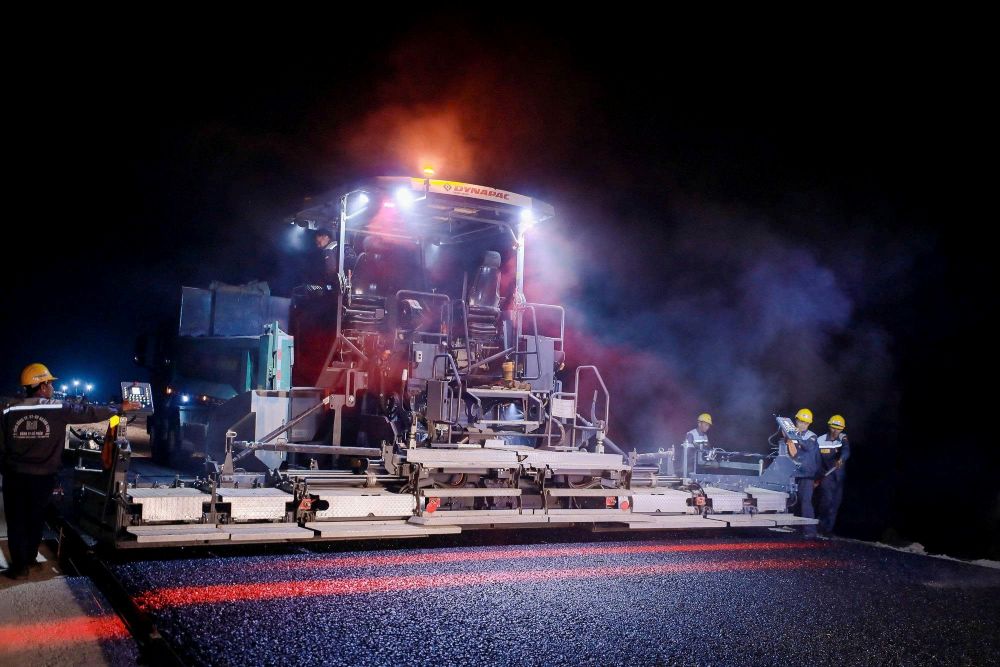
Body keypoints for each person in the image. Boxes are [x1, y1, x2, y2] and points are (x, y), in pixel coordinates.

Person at [1, 363, 138, 579]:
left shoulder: (9, 409)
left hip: (15, 476)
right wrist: (120, 407)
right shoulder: (57, 408)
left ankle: (19, 567)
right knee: (35, 518)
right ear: (42, 386)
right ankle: (30, 559)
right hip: (43, 476)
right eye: (50, 384)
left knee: (16, 520)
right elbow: (89, 412)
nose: (52, 388)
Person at [786, 407, 820, 538]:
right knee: (792, 500)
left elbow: (807, 446)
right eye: (801, 421)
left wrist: (796, 436)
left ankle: (810, 531)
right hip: (794, 473)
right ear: (796, 420)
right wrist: (788, 436)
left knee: (805, 502)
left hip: (807, 474)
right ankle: (794, 528)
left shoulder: (811, 436)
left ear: (809, 424)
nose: (803, 425)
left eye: (806, 423)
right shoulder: (791, 434)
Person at [816, 414, 850, 536]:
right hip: (826, 476)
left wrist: (841, 459)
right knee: (826, 501)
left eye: (838, 429)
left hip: (839, 478)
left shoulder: (842, 438)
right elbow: (816, 460)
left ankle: (827, 530)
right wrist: (817, 476)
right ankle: (820, 526)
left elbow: (846, 450)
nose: (835, 431)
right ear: (829, 426)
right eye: (833, 428)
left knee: (835, 504)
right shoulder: (820, 440)